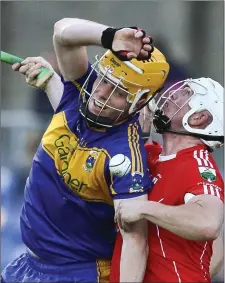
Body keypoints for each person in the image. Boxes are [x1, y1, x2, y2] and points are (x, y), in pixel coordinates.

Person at [1, 18, 170, 283]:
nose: (100, 93)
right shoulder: (80, 91)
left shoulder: (125, 157)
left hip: (77, 274)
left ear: (138, 102)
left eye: (117, 92)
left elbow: (135, 243)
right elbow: (63, 31)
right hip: (27, 263)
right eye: (103, 78)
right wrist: (110, 37)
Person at [111, 77, 224, 282]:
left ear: (199, 118)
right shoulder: (156, 157)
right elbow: (217, 252)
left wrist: (145, 209)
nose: (174, 93)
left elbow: (208, 224)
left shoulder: (199, 165)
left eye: (186, 93)